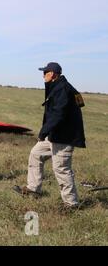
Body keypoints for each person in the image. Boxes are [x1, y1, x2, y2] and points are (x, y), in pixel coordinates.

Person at [14, 62, 86, 209]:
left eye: (45, 72)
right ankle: (34, 189)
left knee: (61, 169)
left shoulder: (63, 89)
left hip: (64, 137)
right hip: (55, 134)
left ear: (52, 74)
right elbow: (78, 103)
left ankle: (72, 204)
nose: (43, 75)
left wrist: (43, 131)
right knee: (36, 154)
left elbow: (58, 114)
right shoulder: (59, 87)